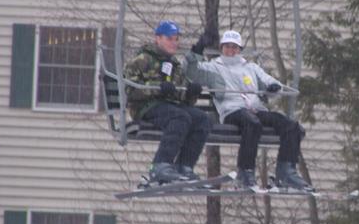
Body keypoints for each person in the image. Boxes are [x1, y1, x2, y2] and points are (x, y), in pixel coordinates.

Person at [185, 29, 311, 190]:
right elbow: (191, 72)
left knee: (290, 126)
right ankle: (245, 172)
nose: (231, 51)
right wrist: (197, 49)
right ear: (222, 48)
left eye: (234, 47)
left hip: (256, 109)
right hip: (232, 111)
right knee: (252, 123)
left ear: (240, 49)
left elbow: (267, 80)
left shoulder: (250, 67)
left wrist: (273, 86)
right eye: (227, 47)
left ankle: (286, 172)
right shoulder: (213, 67)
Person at [124, 20, 211, 184]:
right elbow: (130, 89)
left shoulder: (174, 64)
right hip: (146, 107)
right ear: (158, 39)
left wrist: (191, 92)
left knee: (201, 119)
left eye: (176, 39)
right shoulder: (142, 60)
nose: (174, 43)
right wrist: (157, 88)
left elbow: (181, 96)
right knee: (179, 117)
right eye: (169, 39)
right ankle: (160, 165)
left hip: (169, 106)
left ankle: (184, 166)